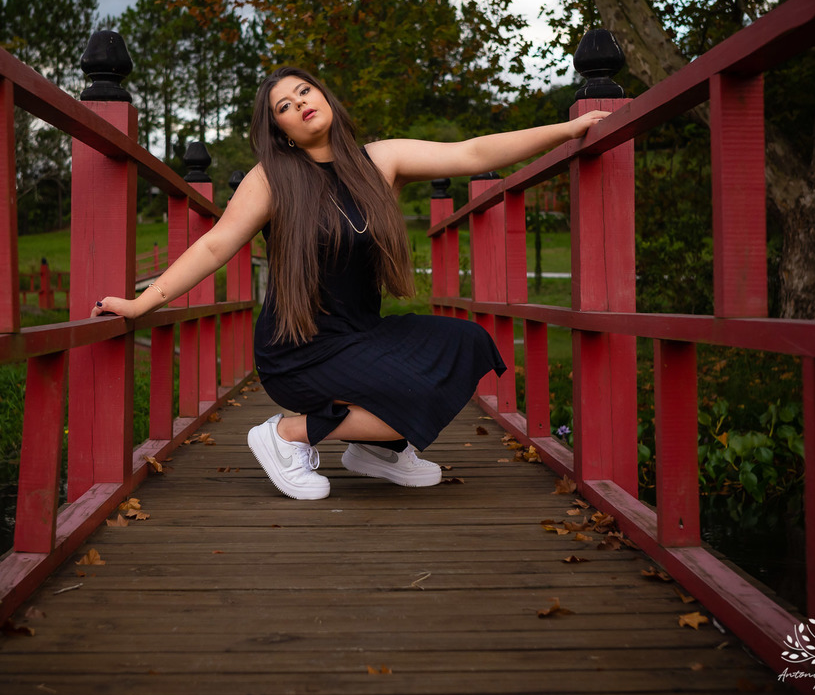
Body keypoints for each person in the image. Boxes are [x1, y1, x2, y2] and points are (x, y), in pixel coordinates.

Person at [92, 67, 608, 500]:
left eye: (304, 92)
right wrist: (143, 303)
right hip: (298, 350)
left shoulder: (380, 161)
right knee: (412, 389)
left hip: (362, 335)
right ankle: (287, 432)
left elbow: (472, 154)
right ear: (281, 131)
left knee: (466, 345)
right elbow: (213, 246)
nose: (299, 104)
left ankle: (377, 450)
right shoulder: (271, 178)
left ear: (323, 96)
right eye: (284, 107)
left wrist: (566, 132)